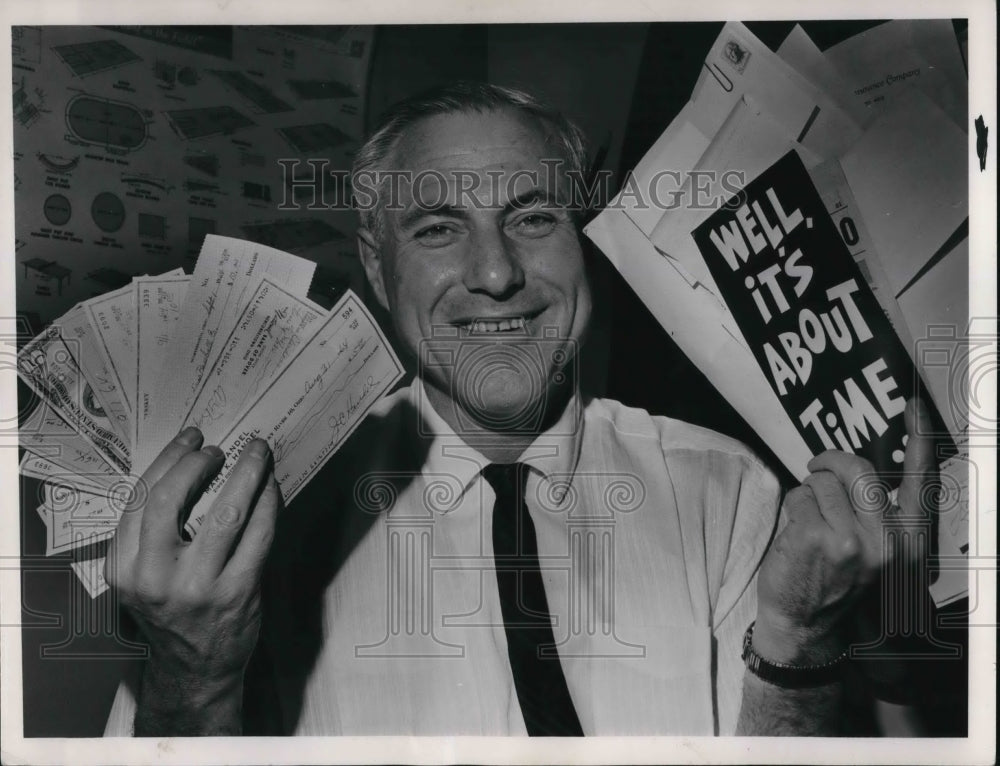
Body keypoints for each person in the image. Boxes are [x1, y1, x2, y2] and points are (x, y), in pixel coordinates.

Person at [102, 82, 936, 736]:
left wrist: (804, 643)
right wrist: (194, 671)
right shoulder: (255, 521)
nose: (496, 274)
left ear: (586, 239)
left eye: (534, 217)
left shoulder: (730, 492)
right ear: (378, 267)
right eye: (437, 230)